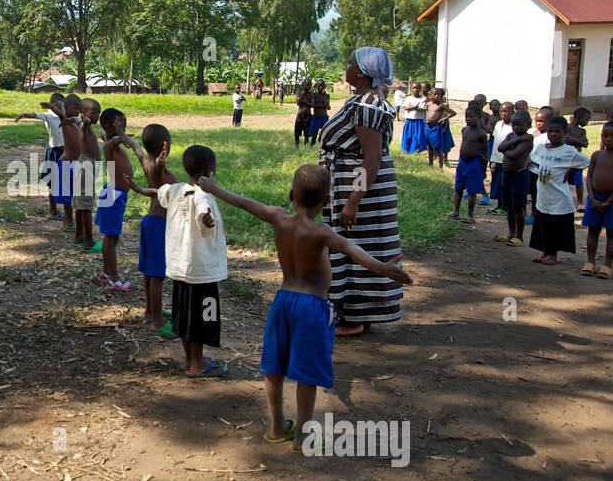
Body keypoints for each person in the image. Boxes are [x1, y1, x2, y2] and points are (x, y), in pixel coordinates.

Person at [197, 164, 412, 450]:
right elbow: (355, 252)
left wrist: (213, 188)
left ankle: (275, 427)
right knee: (306, 374)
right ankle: (302, 435)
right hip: (312, 307)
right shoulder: (322, 232)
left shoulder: (277, 217)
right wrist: (385, 268)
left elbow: (243, 201)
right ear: (326, 200)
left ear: (290, 194)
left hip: (283, 302)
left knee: (274, 369)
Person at [317, 46, 403, 336]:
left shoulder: (367, 105)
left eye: (350, 62)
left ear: (361, 72)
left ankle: (353, 316)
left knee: (353, 245)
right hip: (355, 186)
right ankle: (353, 313)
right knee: (352, 244)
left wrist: (353, 200)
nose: (346, 66)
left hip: (359, 190)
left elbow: (371, 159)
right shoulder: (363, 101)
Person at [129, 144, 228, 377]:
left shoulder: (176, 190)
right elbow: (203, 208)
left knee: (183, 316)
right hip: (202, 273)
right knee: (204, 317)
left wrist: (137, 188)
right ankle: (197, 364)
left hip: (179, 269)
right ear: (209, 170)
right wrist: (205, 218)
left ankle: (189, 359)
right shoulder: (204, 195)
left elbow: (156, 191)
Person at [124, 123, 177, 337]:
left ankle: (150, 310)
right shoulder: (157, 167)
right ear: (165, 145)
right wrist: (160, 163)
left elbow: (134, 145)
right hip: (159, 225)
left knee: (149, 272)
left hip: (150, 222)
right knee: (157, 275)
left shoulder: (144, 159)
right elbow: (157, 171)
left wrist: (122, 135)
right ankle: (157, 321)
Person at [527, 115, 590, 264]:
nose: (553, 134)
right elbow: (533, 160)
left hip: (559, 197)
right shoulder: (542, 148)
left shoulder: (568, 151)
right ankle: (544, 251)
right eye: (550, 131)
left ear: (565, 132)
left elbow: (587, 161)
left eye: (557, 131)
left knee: (555, 225)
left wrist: (572, 169)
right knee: (543, 222)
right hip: (543, 195)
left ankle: (552, 254)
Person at [581, 121, 613, 277]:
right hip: (594, 199)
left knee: (611, 233)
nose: (608, 139)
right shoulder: (597, 155)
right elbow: (588, 178)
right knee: (593, 230)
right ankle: (590, 262)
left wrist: (609, 200)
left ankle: (607, 265)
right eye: (605, 135)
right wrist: (592, 197)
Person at [94, 107, 134, 291]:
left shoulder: (108, 138)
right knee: (110, 239)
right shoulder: (110, 145)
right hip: (114, 196)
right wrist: (120, 134)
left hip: (114, 194)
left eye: (124, 125)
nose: (123, 129)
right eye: (120, 125)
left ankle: (106, 272)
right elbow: (121, 140)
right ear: (111, 127)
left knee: (111, 238)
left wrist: (116, 131)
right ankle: (115, 278)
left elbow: (105, 132)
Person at [14, 94, 67, 221]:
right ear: (52, 104)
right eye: (57, 104)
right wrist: (24, 115)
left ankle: (67, 213)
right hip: (54, 152)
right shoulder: (48, 115)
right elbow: (35, 115)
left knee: (66, 183)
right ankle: (53, 211)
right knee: (52, 183)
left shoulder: (67, 115)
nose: (60, 106)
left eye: (62, 103)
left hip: (67, 153)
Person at [495, 109, 534, 247]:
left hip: (519, 175)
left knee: (518, 207)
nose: (516, 127)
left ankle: (520, 236)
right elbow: (500, 147)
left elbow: (513, 155)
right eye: (514, 124)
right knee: (509, 206)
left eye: (519, 125)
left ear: (528, 125)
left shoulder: (528, 139)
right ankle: (511, 233)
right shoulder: (513, 136)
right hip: (507, 175)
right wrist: (515, 140)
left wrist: (508, 147)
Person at [71, 97, 102, 252]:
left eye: (99, 113)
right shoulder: (84, 125)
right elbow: (85, 122)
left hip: (85, 167)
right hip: (86, 168)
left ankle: (78, 237)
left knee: (80, 206)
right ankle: (88, 242)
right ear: (84, 113)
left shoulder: (88, 127)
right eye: (94, 112)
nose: (97, 116)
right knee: (86, 207)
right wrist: (86, 120)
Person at [449, 106, 487, 224]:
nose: (468, 119)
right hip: (462, 162)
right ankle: (455, 211)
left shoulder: (481, 134)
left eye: (471, 117)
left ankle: (470, 215)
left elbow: (485, 152)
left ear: (479, 117)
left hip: (474, 164)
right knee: (458, 188)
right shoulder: (465, 130)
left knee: (471, 191)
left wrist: (484, 169)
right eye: (466, 117)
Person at [57, 93, 83, 235]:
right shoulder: (66, 119)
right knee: (66, 196)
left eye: (80, 109)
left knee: (76, 194)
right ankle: (68, 220)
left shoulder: (77, 121)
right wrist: (59, 107)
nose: (78, 111)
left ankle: (72, 220)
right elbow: (61, 115)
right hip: (66, 163)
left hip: (76, 164)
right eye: (75, 108)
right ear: (66, 107)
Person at [488, 101, 513, 216]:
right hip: (496, 157)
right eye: (502, 111)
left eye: (506, 111)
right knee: (497, 182)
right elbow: (494, 139)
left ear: (512, 112)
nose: (504, 114)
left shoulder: (513, 126)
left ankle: (506, 206)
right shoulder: (498, 124)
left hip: (506, 159)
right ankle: (499, 205)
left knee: (505, 183)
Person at [565, 107, 591, 212]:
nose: (587, 122)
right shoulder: (566, 128)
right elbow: (565, 139)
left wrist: (573, 139)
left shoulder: (582, 131)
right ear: (579, 118)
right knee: (564, 181)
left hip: (576, 160)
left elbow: (585, 144)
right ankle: (566, 201)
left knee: (578, 182)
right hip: (566, 159)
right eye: (586, 119)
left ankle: (580, 203)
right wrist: (577, 140)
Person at [424, 87, 457, 168]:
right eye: (434, 94)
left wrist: (443, 119)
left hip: (436, 128)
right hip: (428, 128)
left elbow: (453, 113)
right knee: (429, 147)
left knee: (439, 148)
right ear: (430, 95)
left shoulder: (441, 105)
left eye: (438, 94)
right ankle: (430, 164)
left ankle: (440, 167)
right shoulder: (428, 104)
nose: (436, 96)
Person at [399, 82, 427, 154]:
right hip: (409, 120)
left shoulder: (423, 99)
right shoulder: (408, 98)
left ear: (420, 89)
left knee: (417, 136)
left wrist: (411, 107)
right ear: (411, 89)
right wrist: (415, 106)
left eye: (417, 88)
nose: (415, 90)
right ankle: (406, 150)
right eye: (414, 88)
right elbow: (405, 107)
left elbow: (422, 109)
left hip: (418, 121)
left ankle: (415, 150)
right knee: (408, 136)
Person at [307, 80, 331, 144]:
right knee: (314, 133)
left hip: (324, 117)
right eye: (319, 86)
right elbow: (313, 105)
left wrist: (323, 99)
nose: (320, 87)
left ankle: (323, 145)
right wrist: (323, 105)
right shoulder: (314, 95)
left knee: (326, 132)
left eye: (322, 86)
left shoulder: (327, 95)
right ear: (316, 87)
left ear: (324, 87)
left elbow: (328, 107)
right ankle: (312, 145)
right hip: (316, 117)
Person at [294, 80, 313, 145]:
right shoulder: (299, 93)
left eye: (310, 85)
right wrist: (302, 96)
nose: (309, 86)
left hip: (308, 115)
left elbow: (312, 105)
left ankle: (306, 143)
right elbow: (298, 103)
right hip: (300, 114)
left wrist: (305, 102)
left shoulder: (311, 94)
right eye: (307, 85)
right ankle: (297, 144)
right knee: (297, 131)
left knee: (306, 131)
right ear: (303, 85)